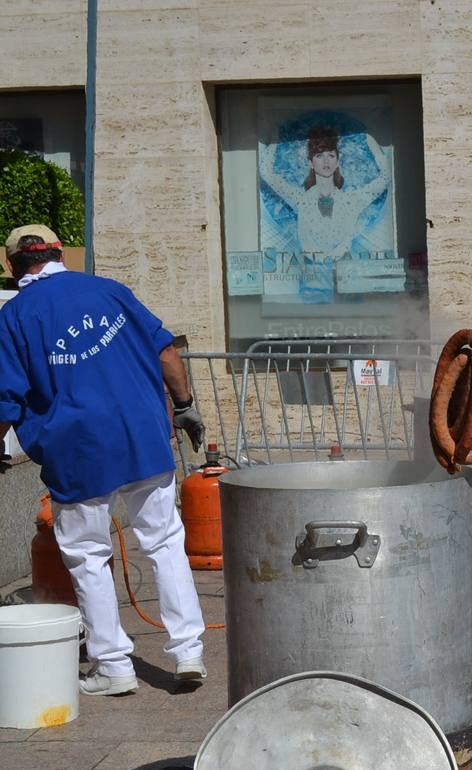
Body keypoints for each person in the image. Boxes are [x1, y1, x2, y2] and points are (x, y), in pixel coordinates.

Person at [0, 225, 209, 697]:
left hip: (79, 448)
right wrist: (184, 404)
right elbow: (167, 350)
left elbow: (4, 400)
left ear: (14, 267)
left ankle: (114, 666)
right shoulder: (111, 291)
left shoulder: (15, 317)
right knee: (164, 542)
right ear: (59, 255)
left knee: (89, 556)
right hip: (142, 436)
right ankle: (188, 651)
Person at [259, 128, 391, 264]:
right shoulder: (300, 199)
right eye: (319, 156)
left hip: (346, 275)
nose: (326, 161)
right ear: (310, 163)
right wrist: (274, 139)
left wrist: (371, 139)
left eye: (331, 155)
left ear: (338, 161)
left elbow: (387, 176)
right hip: (309, 276)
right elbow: (266, 173)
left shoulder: (351, 201)